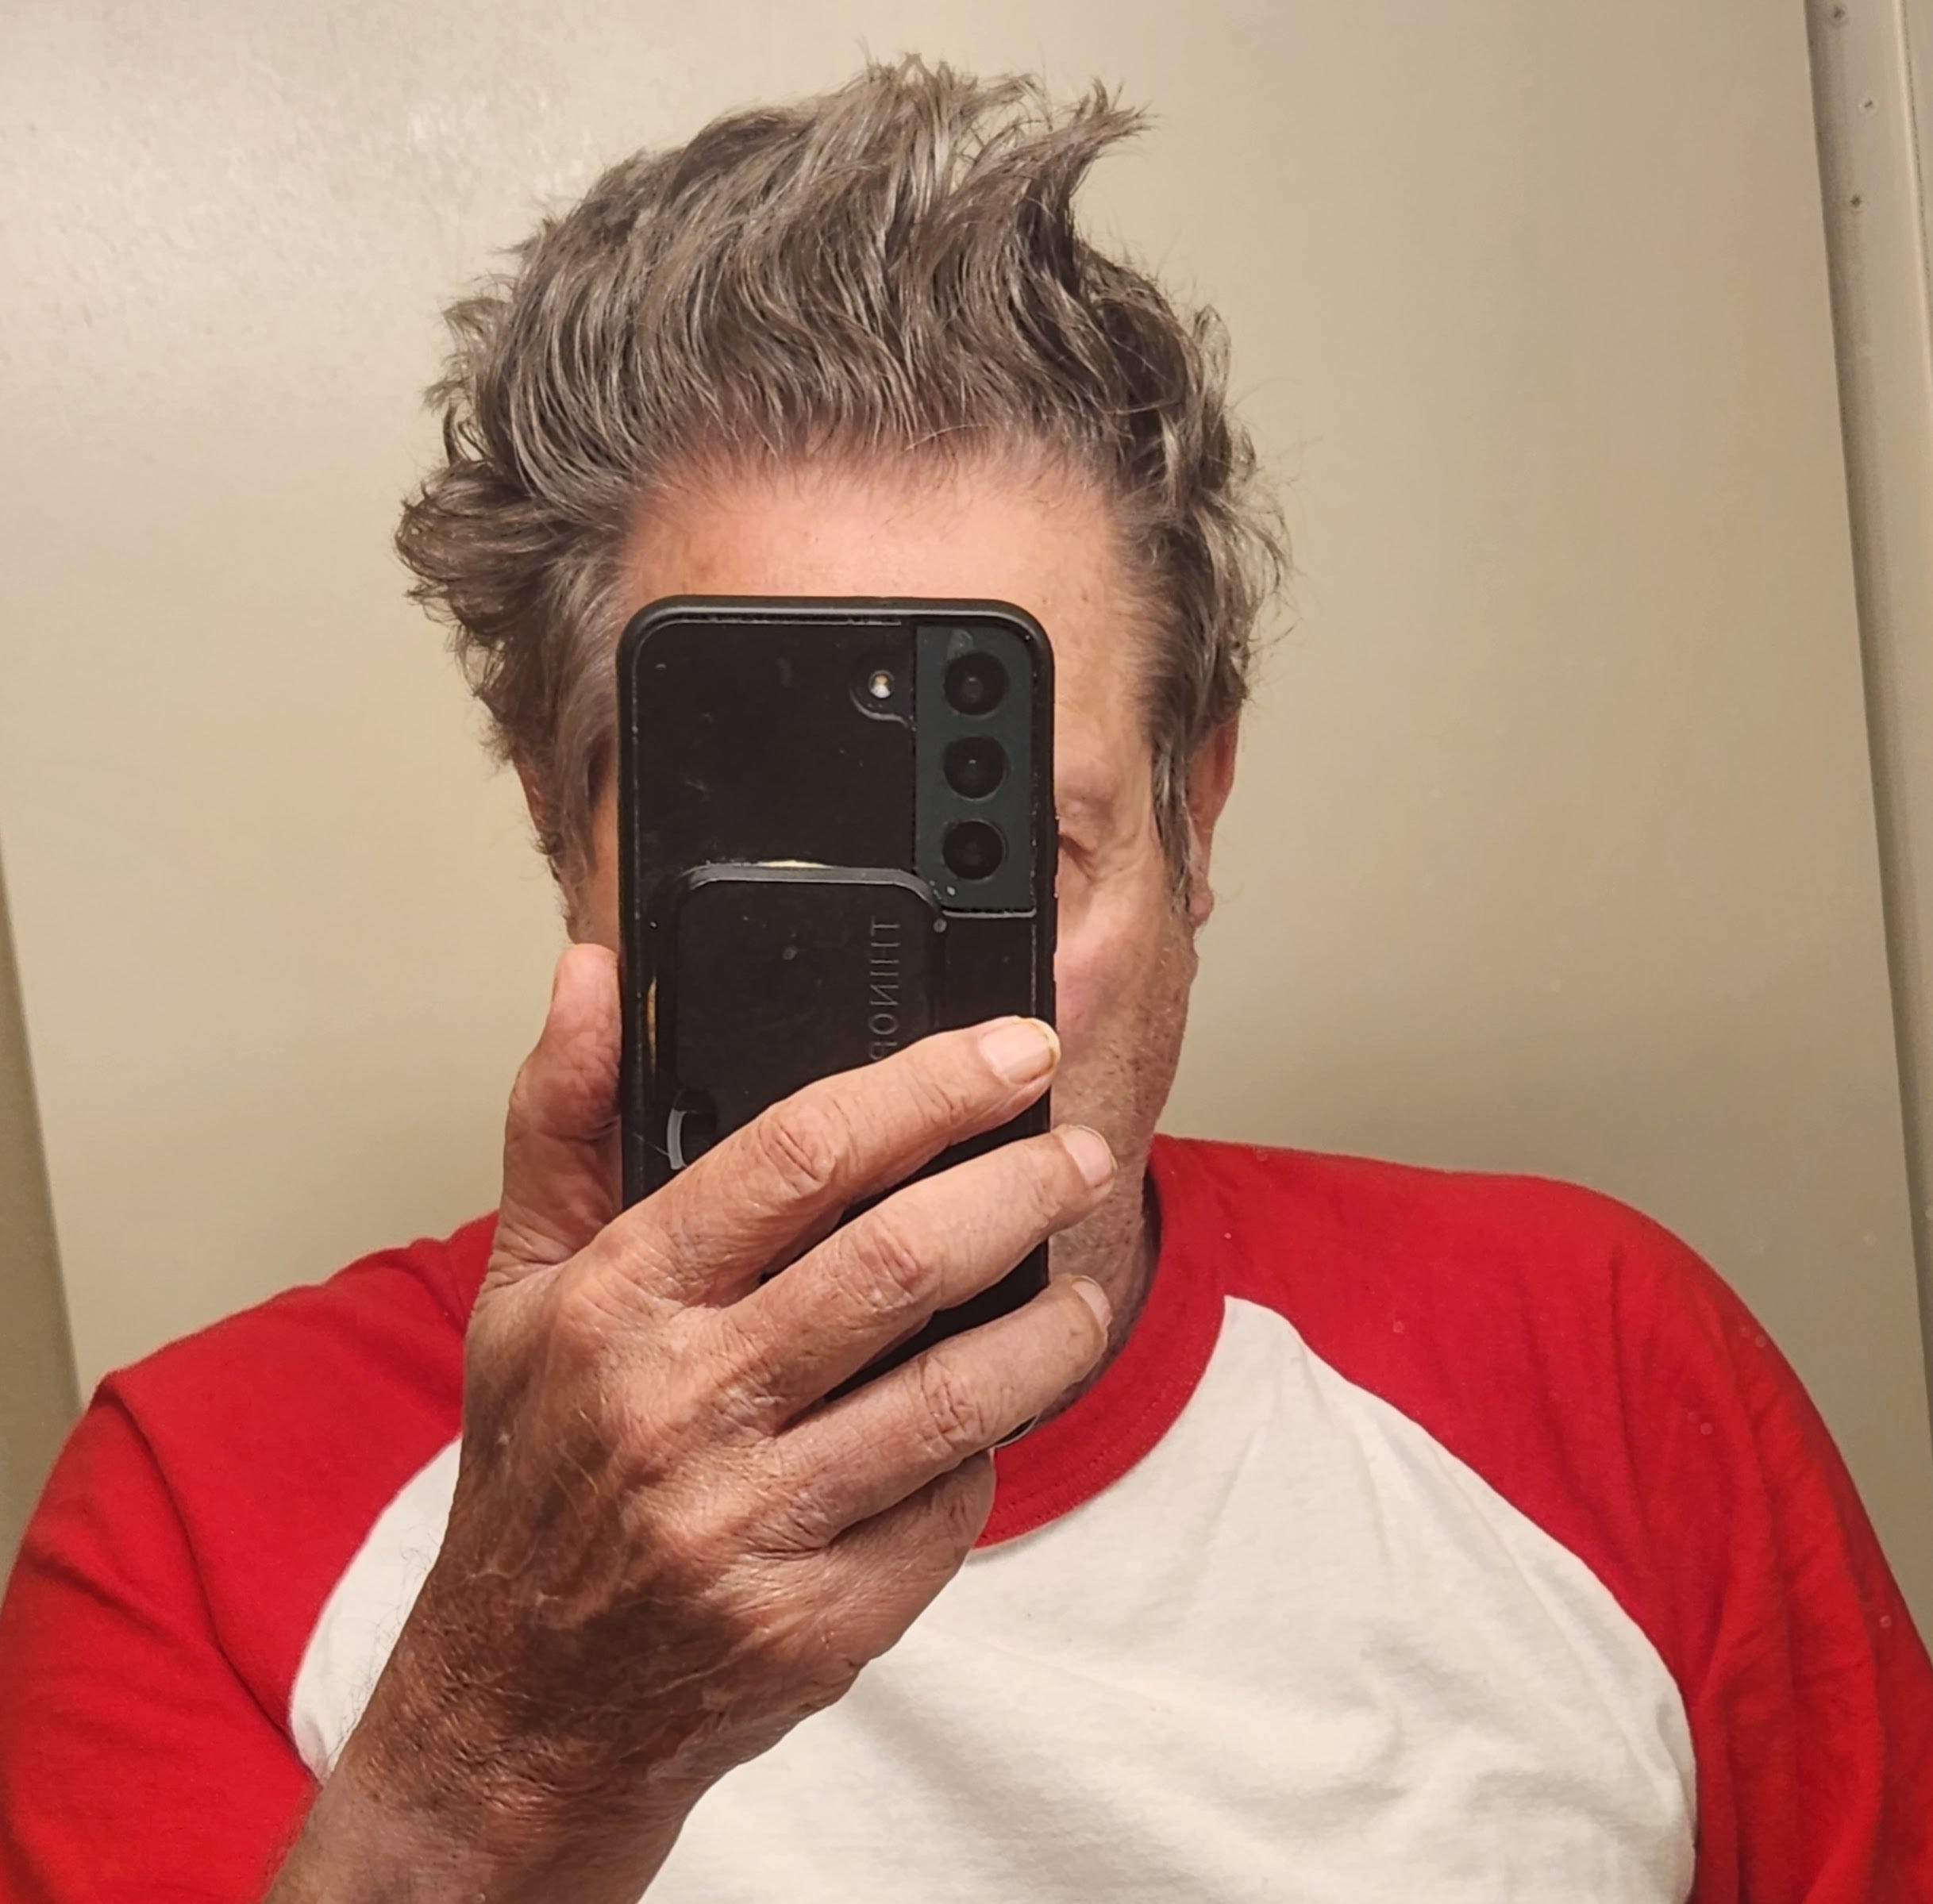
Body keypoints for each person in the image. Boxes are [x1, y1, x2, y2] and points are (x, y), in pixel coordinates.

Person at [1, 56, 1929, 1904]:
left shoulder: (1607, 1373)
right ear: (563, 840)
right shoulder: (200, 1521)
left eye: (1014, 874)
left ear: (1196, 816)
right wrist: (508, 1745)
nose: (902, 1053)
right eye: (773, 891)